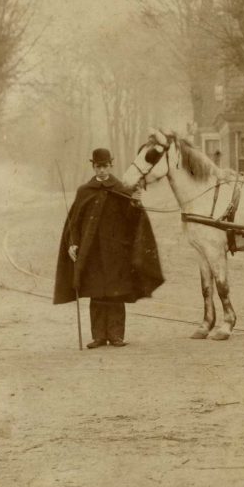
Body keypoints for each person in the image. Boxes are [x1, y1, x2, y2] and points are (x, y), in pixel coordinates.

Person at [53, 148, 164, 348]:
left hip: (116, 253)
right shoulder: (84, 191)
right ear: (93, 166)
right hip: (92, 252)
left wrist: (136, 204)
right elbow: (74, 223)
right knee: (96, 293)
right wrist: (72, 243)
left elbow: (132, 223)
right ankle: (98, 337)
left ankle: (115, 336)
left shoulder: (121, 189)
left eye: (105, 166)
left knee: (115, 293)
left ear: (111, 165)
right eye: (98, 166)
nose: (102, 170)